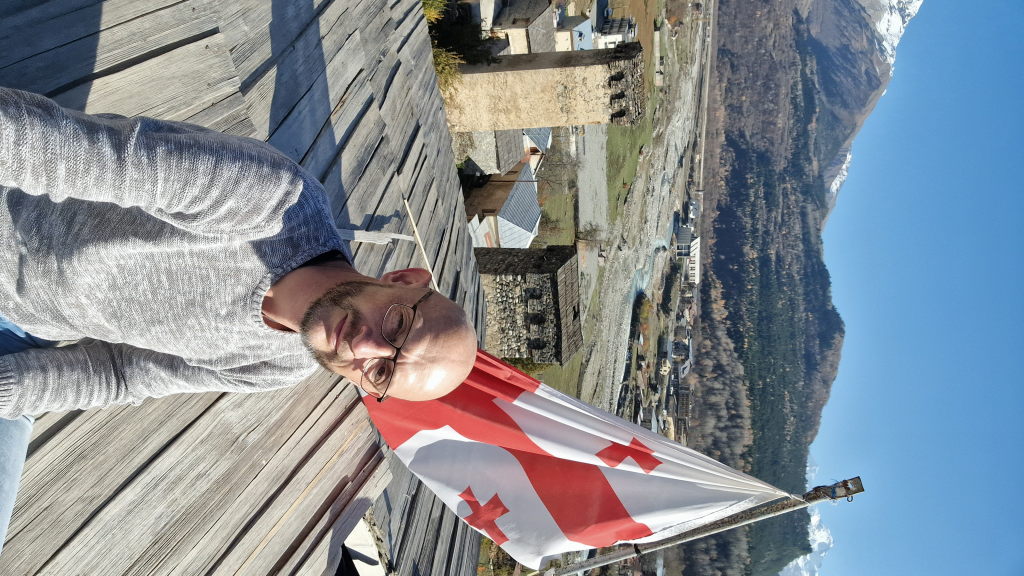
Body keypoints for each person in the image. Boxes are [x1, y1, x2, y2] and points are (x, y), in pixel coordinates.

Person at [0, 87, 478, 546]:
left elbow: (120, 373)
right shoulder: (274, 202)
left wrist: (9, 389)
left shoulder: (279, 367)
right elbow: (65, 153)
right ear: (404, 280)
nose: (365, 347)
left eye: (382, 370)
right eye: (397, 325)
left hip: (21, 329)